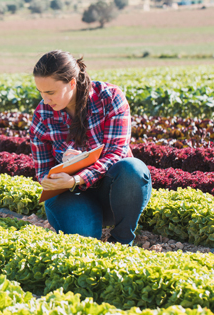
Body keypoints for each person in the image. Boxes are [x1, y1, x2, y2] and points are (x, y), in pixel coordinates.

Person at [29, 50, 152, 245]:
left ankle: (122, 241)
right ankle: (84, 222)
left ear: (71, 83)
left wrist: (78, 177)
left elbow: (117, 153)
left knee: (132, 168)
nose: (45, 100)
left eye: (50, 92)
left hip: (113, 193)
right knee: (84, 239)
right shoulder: (42, 115)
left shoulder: (110, 98)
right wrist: (61, 171)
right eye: (41, 92)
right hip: (71, 197)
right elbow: (43, 172)